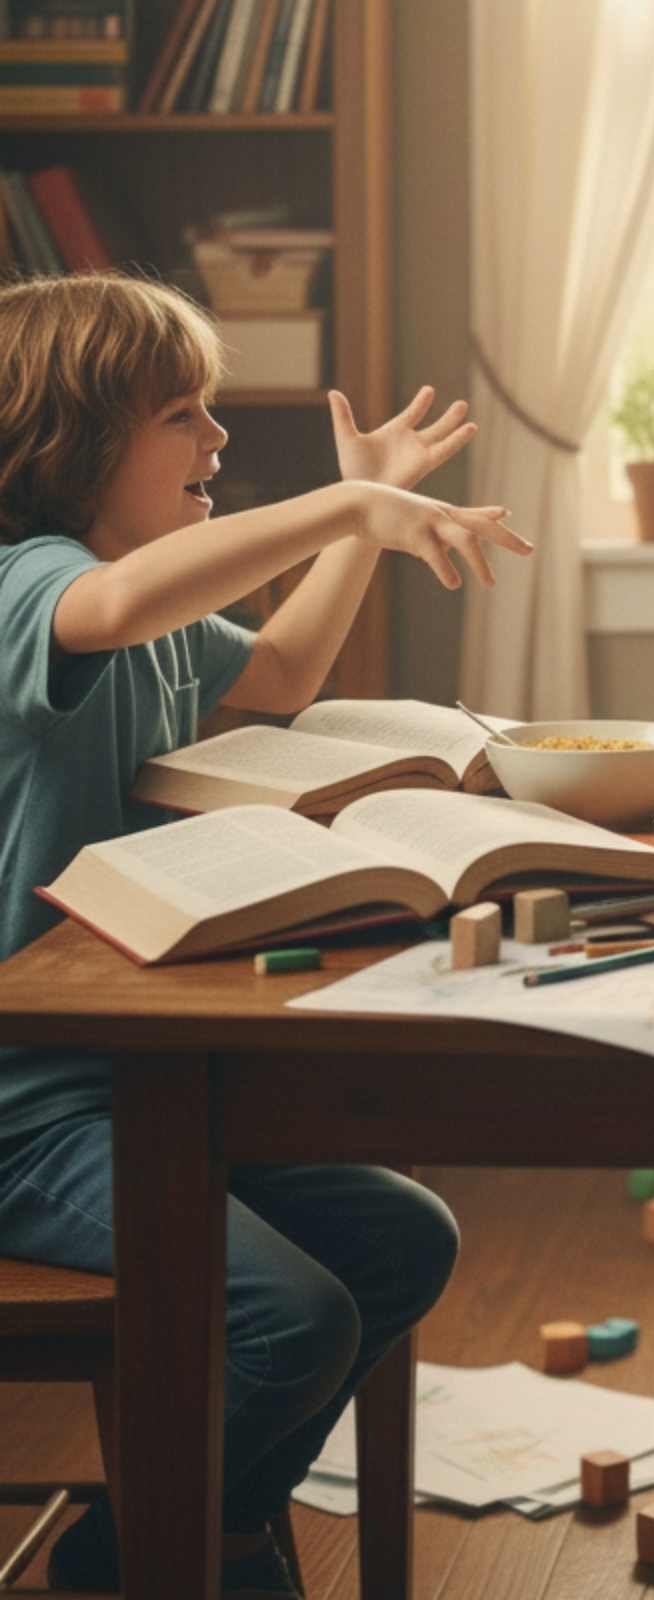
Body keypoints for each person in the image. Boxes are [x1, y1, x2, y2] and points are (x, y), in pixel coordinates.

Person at [0, 275, 530, 1597]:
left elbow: (285, 674)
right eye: (181, 414)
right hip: (20, 1113)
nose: (218, 437)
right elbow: (111, 608)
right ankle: (182, 1551)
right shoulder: (30, 584)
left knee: (406, 1240)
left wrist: (361, 510)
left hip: (132, 1081)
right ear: (73, 446)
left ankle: (165, 1539)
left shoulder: (155, 611)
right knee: (293, 1319)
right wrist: (348, 508)